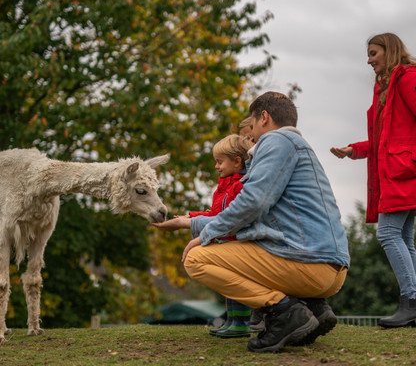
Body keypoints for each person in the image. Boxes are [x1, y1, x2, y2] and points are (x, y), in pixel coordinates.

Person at [154, 91, 350, 353]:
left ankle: (285, 312)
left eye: (253, 125)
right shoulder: (301, 147)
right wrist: (193, 222)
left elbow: (252, 203)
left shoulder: (276, 141)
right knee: (252, 245)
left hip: (309, 265)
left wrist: (206, 232)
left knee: (196, 259)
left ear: (264, 118)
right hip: (331, 268)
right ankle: (312, 307)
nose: (250, 137)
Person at [331, 33, 416, 328]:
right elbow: (384, 140)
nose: (369, 60)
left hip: (403, 172)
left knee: (388, 234)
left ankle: (411, 301)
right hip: (399, 172)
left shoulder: (405, 79)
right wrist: (354, 150)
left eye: (373, 53)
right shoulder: (385, 88)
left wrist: (411, 158)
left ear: (389, 51)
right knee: (404, 237)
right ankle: (413, 303)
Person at [177, 134, 253, 338]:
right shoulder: (224, 186)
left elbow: (231, 216)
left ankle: (242, 323)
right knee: (229, 285)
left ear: (237, 161)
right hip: (224, 240)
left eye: (220, 162)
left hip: (237, 242)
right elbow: (214, 214)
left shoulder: (241, 186)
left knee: (236, 282)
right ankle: (232, 320)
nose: (216, 167)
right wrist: (190, 216)